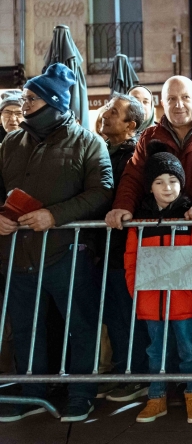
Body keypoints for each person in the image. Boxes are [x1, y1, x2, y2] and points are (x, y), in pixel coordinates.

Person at [105, 75, 192, 405]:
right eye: (171, 99)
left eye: (185, 98)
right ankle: (171, 384)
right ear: (162, 103)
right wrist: (122, 206)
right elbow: (134, 177)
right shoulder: (150, 136)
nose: (178, 105)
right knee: (170, 320)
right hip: (164, 246)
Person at [0, 63, 113, 423]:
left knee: (79, 325)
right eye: (23, 98)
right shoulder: (10, 142)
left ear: (52, 103)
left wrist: (55, 215)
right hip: (18, 254)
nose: (23, 105)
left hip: (67, 251)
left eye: (30, 99)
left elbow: (103, 191)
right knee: (26, 327)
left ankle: (81, 393)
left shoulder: (88, 142)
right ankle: (33, 393)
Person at [125, 141, 192, 424]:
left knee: (189, 349)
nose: (167, 187)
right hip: (150, 299)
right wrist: (134, 289)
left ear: (181, 183)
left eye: (173, 181)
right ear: (149, 186)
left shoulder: (191, 217)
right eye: (159, 182)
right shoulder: (140, 221)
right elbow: (131, 259)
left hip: (184, 298)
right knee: (155, 350)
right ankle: (156, 397)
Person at [98, 94, 152, 402]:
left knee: (128, 315)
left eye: (114, 112)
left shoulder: (133, 156)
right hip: (106, 248)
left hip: (125, 248)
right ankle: (122, 372)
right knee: (115, 315)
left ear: (131, 125)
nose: (106, 114)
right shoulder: (104, 150)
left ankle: (137, 375)